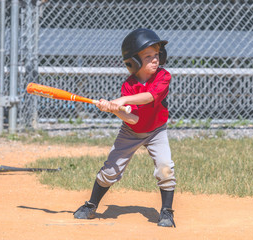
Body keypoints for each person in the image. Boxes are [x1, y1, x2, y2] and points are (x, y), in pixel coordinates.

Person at [73, 28, 176, 228]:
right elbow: (133, 119)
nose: (155, 59)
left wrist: (120, 100)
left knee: (165, 167)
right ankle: (91, 204)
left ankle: (167, 212)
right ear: (134, 62)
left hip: (157, 130)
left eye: (157, 55)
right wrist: (114, 110)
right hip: (131, 132)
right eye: (148, 56)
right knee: (111, 169)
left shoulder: (163, 76)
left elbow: (149, 97)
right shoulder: (128, 85)